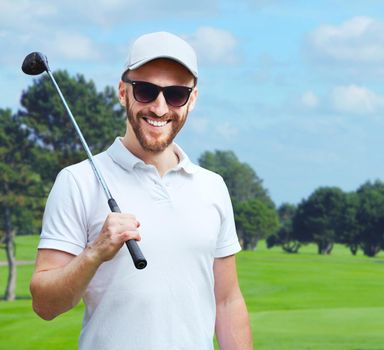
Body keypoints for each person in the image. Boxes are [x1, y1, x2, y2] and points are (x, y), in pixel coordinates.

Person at [29, 31, 252, 350]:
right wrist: (95, 252)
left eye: (176, 94)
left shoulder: (212, 186)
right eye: (146, 91)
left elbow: (227, 302)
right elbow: (45, 304)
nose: (160, 108)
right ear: (123, 92)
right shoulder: (77, 181)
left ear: (193, 99)